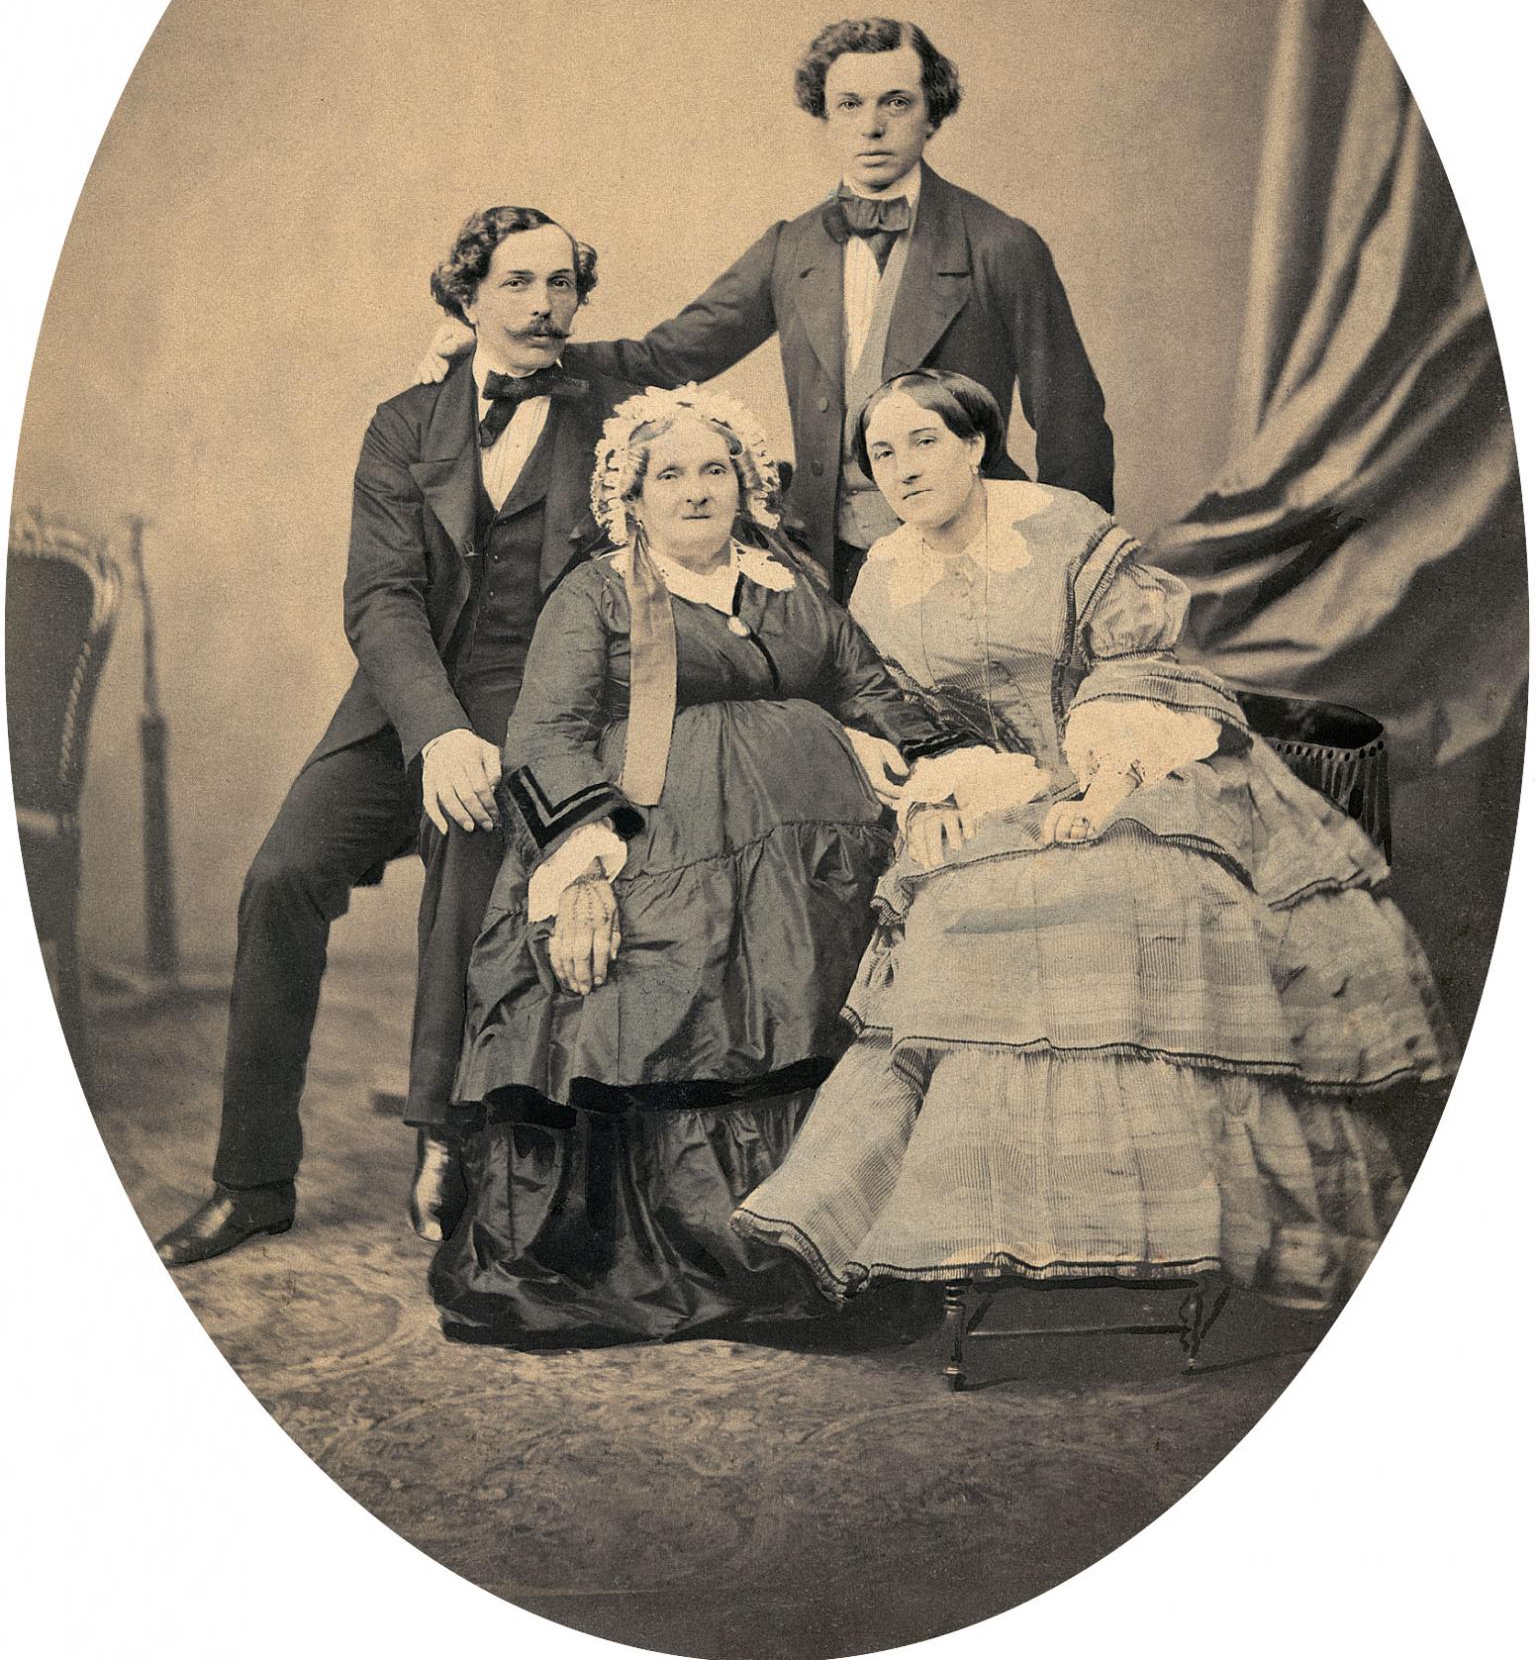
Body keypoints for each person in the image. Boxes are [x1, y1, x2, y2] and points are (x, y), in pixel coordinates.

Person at [732, 370, 1458, 1311]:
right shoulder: (881, 573)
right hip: (998, 793)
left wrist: (1105, 788)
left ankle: (1169, 1220)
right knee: (963, 914)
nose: (903, 467)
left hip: (1145, 766)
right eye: (882, 454)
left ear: (973, 445)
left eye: (924, 441)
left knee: (1136, 898)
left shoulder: (1060, 524)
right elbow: (896, 708)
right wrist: (933, 793)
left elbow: (1134, 662)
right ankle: (1015, 1219)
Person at [155, 206, 648, 1267]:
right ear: (466, 296)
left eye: (561, 283)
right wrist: (435, 732)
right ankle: (250, 1181)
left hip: (536, 707)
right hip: (402, 703)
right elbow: (380, 595)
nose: (543, 305)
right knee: (279, 877)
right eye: (516, 282)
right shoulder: (403, 421)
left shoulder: (616, 418)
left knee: (469, 855)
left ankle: (442, 1141)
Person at [427, 384, 960, 1343]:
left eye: (714, 469)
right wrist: (581, 877)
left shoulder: (787, 582)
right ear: (630, 498)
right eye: (668, 474)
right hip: (650, 847)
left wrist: (937, 765)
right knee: (656, 993)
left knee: (824, 989)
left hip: (812, 864)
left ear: (745, 485)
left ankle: (826, 1229)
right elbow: (547, 734)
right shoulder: (596, 594)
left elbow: (865, 682)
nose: (695, 490)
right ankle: (702, 1243)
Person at [418, 17, 1114, 598]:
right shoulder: (792, 246)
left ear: (932, 113)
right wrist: (505, 346)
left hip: (976, 548)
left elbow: (1071, 420)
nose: (872, 126)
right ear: (824, 116)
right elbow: (665, 356)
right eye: (849, 105)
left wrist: (1070, 571)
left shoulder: (1000, 245)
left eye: (896, 102)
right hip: (831, 561)